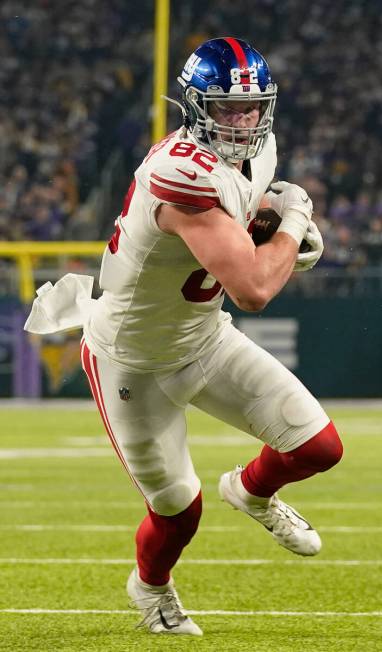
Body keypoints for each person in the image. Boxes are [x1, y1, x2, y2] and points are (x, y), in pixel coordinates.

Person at [25, 37, 343, 637]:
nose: (240, 121)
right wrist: (292, 225)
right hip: (132, 360)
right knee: (177, 508)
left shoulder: (259, 152)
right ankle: (151, 589)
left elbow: (243, 214)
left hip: (202, 337)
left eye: (250, 108)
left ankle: (251, 492)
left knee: (318, 448)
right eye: (225, 108)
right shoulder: (178, 172)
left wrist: (270, 225)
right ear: (196, 107)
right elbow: (251, 288)